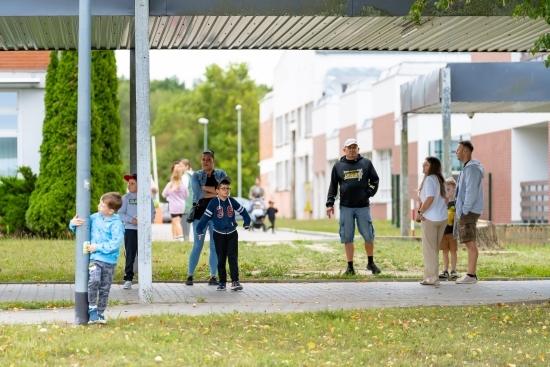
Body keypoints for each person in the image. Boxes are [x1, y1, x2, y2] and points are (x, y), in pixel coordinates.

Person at [326, 138, 381, 276]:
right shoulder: (338, 166)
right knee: (347, 237)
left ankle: (370, 263)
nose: (352, 150)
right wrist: (330, 203)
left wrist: (368, 193)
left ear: (358, 149)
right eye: (349, 147)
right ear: (344, 150)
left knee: (368, 235)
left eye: (354, 147)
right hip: (346, 207)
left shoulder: (366, 163)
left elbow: (374, 180)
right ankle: (350, 266)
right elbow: (333, 186)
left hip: (363, 206)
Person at [69, 192, 124, 324]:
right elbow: (82, 229)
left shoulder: (116, 224)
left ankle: (100, 313)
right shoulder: (94, 218)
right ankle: (92, 308)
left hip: (109, 261)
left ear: (111, 210)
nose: (98, 206)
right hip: (95, 259)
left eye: (102, 205)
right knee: (94, 280)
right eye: (99, 203)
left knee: (105, 288)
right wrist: (72, 223)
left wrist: (97, 247)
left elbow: (116, 244)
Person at [196, 177, 251, 291]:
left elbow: (244, 212)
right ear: (217, 190)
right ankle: (222, 282)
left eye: (228, 188)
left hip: (232, 233)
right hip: (218, 234)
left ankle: (235, 281)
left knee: (232, 257)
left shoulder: (232, 201)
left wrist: (246, 222)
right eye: (223, 188)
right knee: (221, 258)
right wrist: (200, 229)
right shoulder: (213, 203)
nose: (226, 191)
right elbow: (205, 217)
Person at [186, 149, 227, 286]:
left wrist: (208, 189)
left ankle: (212, 277)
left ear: (213, 161)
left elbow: (224, 191)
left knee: (215, 247)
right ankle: (190, 276)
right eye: (203, 159)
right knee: (197, 245)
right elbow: (198, 193)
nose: (205, 162)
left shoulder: (221, 174)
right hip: (200, 215)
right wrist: (215, 191)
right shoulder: (196, 175)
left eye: (208, 159)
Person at [454, 140, 485, 284]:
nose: (456, 152)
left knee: (470, 242)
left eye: (458, 149)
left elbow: (470, 192)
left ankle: (471, 276)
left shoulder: (472, 169)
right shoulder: (468, 168)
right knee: (468, 241)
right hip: (467, 210)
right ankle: (470, 275)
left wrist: (464, 210)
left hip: (469, 211)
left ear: (465, 151)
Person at [119, 173, 156, 290]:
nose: (129, 185)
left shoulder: (147, 198)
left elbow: (152, 213)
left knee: (143, 254)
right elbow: (120, 214)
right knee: (130, 254)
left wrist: (145, 222)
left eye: (132, 183)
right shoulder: (126, 198)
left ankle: (145, 278)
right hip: (130, 230)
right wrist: (131, 220)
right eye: (128, 183)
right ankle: (128, 278)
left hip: (143, 231)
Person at [415, 157, 448, 288]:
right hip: (442, 218)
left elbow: (429, 199)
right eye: (423, 164)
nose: (423, 166)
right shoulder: (441, 180)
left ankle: (432, 278)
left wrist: (420, 213)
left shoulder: (429, 179)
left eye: (426, 165)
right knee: (434, 249)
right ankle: (431, 276)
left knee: (430, 249)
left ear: (433, 166)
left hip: (430, 219)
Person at [439, 177, 459, 281]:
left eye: (450, 189)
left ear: (454, 190)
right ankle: (445, 270)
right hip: (443, 232)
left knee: (453, 250)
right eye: (446, 189)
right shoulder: (443, 203)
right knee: (445, 251)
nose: (448, 191)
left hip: (452, 232)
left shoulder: (456, 204)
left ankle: (454, 269)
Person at [162, 167, 189, 241]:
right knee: (178, 221)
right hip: (181, 205)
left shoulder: (170, 185)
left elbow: (164, 194)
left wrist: (170, 195)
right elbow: (186, 195)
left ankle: (180, 237)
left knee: (176, 223)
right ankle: (176, 238)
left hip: (173, 206)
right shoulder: (183, 185)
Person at [180, 159, 194, 241]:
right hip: (192, 200)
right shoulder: (193, 175)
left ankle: (186, 238)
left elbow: (183, 188)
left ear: (187, 166)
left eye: (182, 166)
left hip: (186, 200)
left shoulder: (185, 176)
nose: (180, 168)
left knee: (185, 220)